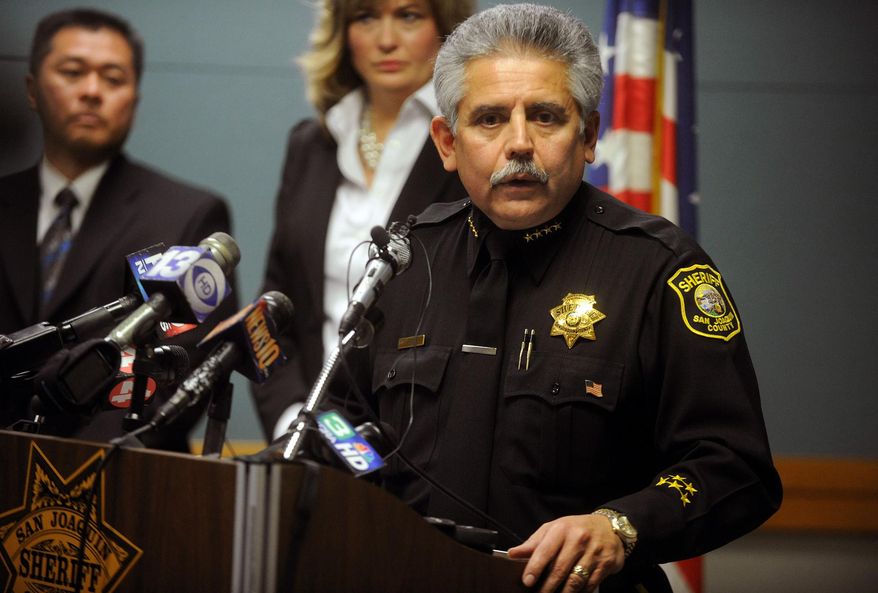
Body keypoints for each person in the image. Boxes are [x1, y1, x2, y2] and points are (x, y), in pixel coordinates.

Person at [330, 4, 783, 593]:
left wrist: (619, 526)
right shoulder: (407, 259)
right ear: (447, 141)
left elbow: (735, 466)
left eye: (545, 117)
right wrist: (378, 505)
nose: (519, 144)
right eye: (489, 120)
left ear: (589, 135)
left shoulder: (660, 270)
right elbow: (340, 422)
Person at [0, 8, 234, 451]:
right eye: (73, 72)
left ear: (135, 98)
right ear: (32, 90)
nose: (91, 92)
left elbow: (185, 375)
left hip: (115, 477)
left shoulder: (188, 215)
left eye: (112, 78)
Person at [251, 0, 473, 441]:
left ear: (445, 29)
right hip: (308, 430)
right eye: (366, 17)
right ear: (342, 32)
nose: (386, 39)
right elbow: (274, 306)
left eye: (409, 16)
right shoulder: (311, 143)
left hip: (423, 439)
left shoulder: (470, 142)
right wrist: (290, 420)